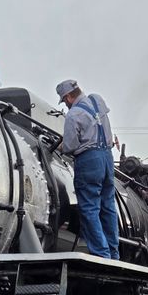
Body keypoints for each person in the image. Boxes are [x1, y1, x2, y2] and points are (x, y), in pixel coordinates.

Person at [56, 79, 119, 259]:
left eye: (64, 100)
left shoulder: (73, 114)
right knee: (108, 207)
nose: (66, 105)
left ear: (68, 96)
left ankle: (101, 253)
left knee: (90, 208)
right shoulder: (97, 100)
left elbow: (70, 145)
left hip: (89, 160)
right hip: (107, 157)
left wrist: (60, 146)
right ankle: (114, 253)